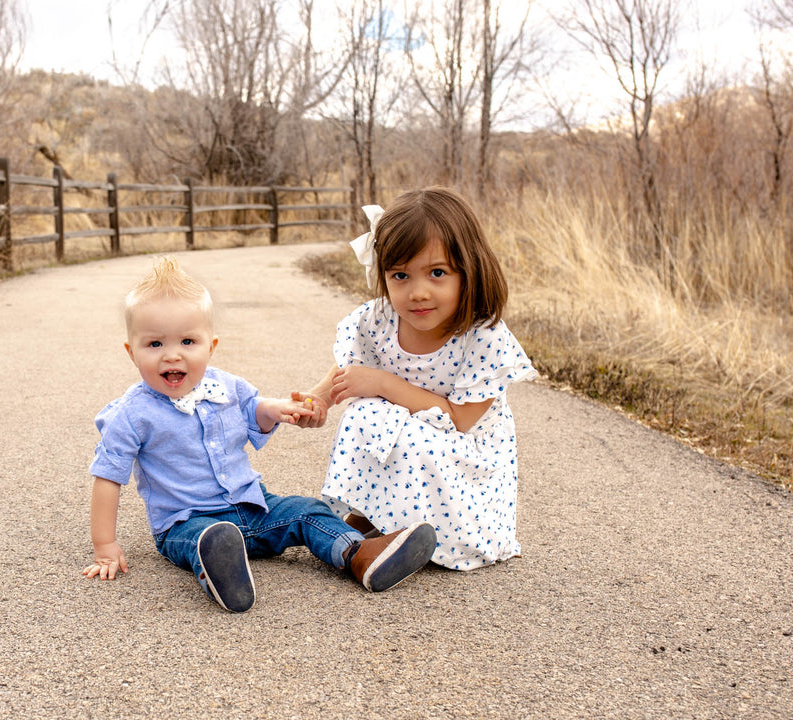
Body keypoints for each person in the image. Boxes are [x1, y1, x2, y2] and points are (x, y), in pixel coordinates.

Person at [82, 256, 436, 613]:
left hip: (254, 507)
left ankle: (358, 554)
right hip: (185, 520)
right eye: (155, 344)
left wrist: (277, 409)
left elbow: (254, 410)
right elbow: (108, 478)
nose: (172, 355)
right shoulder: (131, 414)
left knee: (306, 510)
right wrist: (105, 545)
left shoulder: (226, 385)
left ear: (211, 345)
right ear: (132, 352)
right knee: (202, 540)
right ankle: (221, 567)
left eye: (188, 341)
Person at [296, 187, 537, 571]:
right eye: (401, 275)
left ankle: (416, 531)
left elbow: (460, 420)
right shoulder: (379, 319)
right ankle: (376, 518)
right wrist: (318, 398)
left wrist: (381, 384)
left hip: (466, 463)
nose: (418, 292)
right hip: (415, 440)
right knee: (365, 414)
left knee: (390, 417)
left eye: (437, 273)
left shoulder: (484, 337)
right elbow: (353, 370)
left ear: (468, 270)